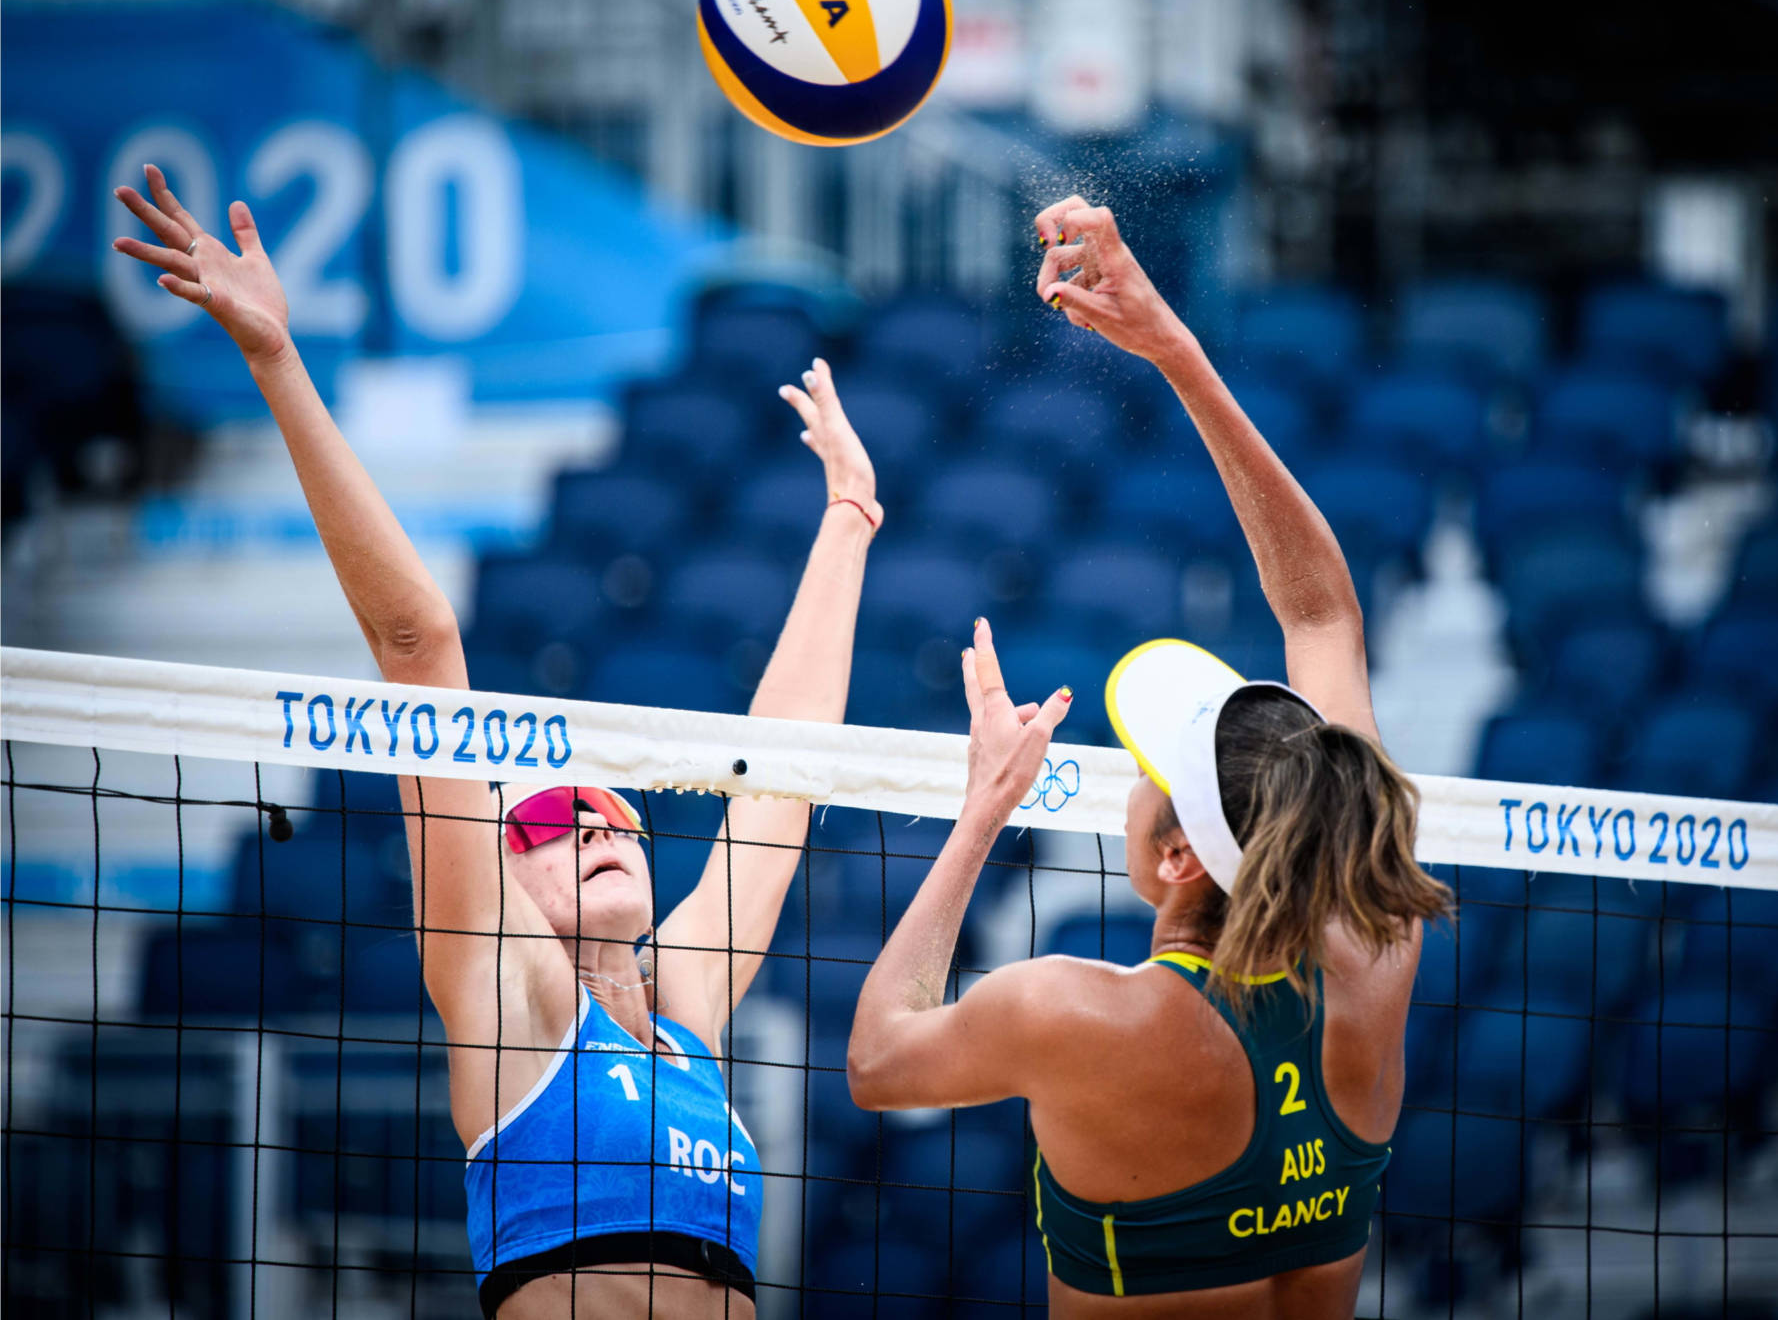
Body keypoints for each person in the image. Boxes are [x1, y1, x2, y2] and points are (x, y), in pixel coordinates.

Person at [112, 166, 884, 1319]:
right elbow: (420, 646)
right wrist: (275, 358)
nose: (596, 820)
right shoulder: (509, 994)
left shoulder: (686, 1010)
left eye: (612, 812)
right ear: (503, 880)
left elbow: (781, 774)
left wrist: (849, 518)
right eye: (545, 820)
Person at [846, 195, 1452, 1318]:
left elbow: (878, 1060)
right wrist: (1173, 349)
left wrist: (981, 816)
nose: (1132, 773)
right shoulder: (1376, 953)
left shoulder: (1077, 1016)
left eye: (1149, 765)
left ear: (1177, 857)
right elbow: (1320, 612)